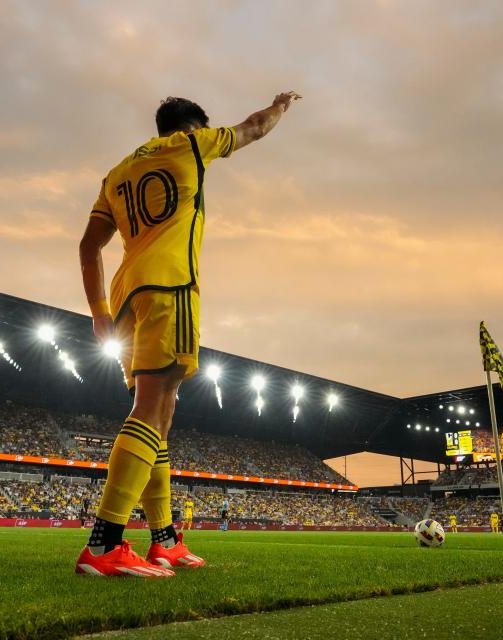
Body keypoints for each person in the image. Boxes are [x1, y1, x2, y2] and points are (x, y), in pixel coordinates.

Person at [75, 91, 301, 578]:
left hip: (125, 295)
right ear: (193, 127)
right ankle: (104, 543)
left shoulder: (115, 175)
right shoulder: (192, 145)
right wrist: (282, 104)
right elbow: (256, 126)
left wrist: (98, 312)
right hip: (170, 285)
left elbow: (89, 245)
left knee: (160, 413)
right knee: (150, 410)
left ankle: (164, 540)